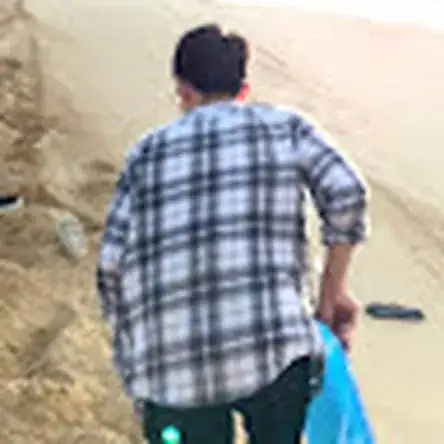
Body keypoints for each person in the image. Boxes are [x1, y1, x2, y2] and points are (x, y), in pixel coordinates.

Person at [97, 23, 369, 444]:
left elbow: (111, 268)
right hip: (275, 353)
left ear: (183, 90)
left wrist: (135, 368)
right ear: (244, 89)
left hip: (174, 373)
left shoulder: (145, 154)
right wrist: (331, 295)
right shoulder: (285, 127)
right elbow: (347, 192)